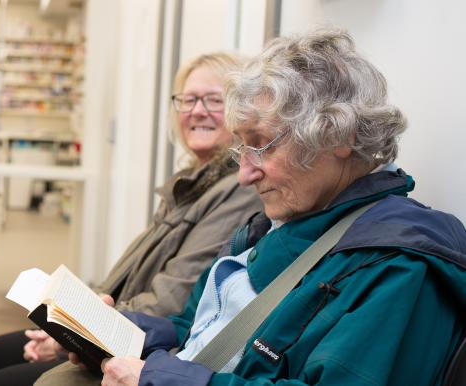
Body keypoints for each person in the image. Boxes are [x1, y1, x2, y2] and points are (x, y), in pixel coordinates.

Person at [36, 27, 466, 386]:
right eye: (242, 147)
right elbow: (200, 331)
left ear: (341, 136)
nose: (245, 173)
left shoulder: (399, 267)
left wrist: (161, 378)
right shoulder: (285, 222)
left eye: (262, 145)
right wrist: (123, 333)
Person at [0, 53, 264, 385]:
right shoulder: (192, 181)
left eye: (215, 100)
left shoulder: (236, 189)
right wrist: (68, 326)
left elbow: (171, 301)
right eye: (188, 100)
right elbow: (126, 278)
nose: (198, 110)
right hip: (120, 327)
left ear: (239, 111)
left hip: (143, 348)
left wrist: (74, 333)